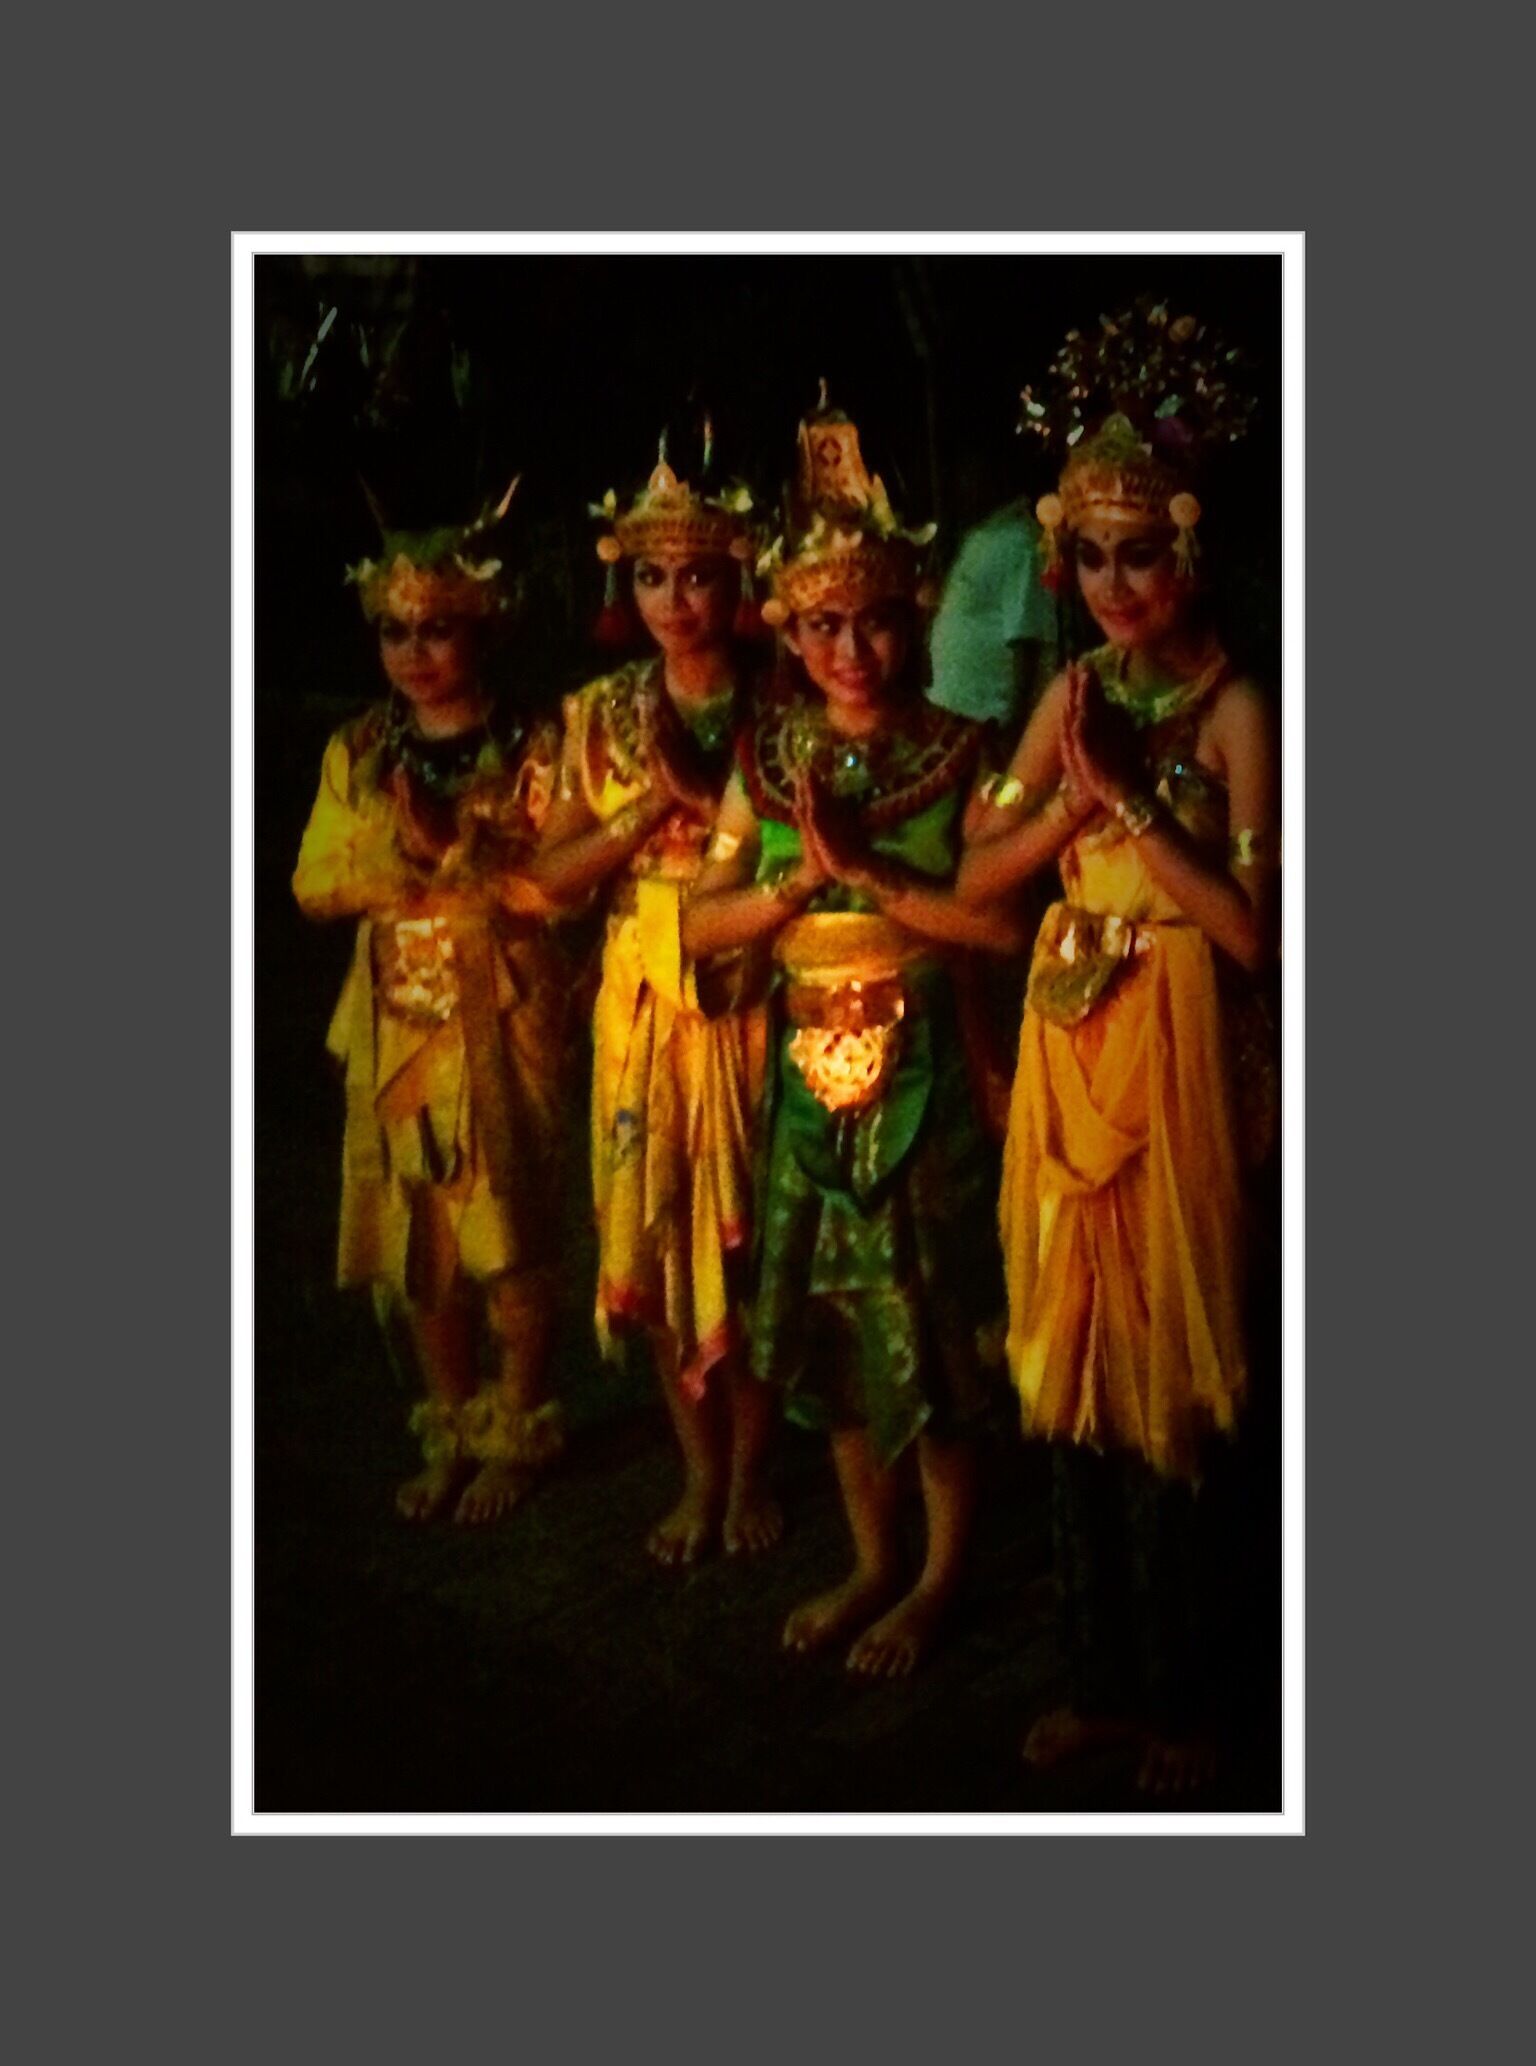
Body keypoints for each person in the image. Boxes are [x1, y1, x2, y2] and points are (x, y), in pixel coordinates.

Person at [957, 302, 1279, 1792]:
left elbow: (1259, 933)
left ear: (1197, 543)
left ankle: (1199, 1703)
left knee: (1181, 1381)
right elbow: (976, 870)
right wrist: (1070, 805)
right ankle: (1099, 1674)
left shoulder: (1235, 710)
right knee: (1073, 1365)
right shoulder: (1076, 694)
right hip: (1067, 1053)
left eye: (1138, 550)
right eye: (1084, 555)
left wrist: (1133, 803)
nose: (1110, 583)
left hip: (1180, 1061)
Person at [685, 397, 1024, 1677]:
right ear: (788, 625)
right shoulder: (765, 758)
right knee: (828, 1328)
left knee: (930, 1330)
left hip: (927, 1072)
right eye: (822, 622)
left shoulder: (960, 753)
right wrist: (787, 887)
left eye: (876, 616)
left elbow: (999, 932)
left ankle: (937, 1574)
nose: (852, 647)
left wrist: (872, 875)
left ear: (917, 614)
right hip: (803, 1083)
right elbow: (703, 925)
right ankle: (872, 1557)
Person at [292, 483, 572, 1524]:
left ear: (483, 626)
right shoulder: (361, 749)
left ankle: (522, 1417)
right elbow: (313, 883)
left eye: (438, 629)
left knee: (508, 1225)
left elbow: (556, 879)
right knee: (418, 1235)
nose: (415, 651)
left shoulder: (537, 741)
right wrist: (398, 859)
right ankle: (451, 1419)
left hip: (499, 1012)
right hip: (397, 1018)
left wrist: (464, 852)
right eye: (397, 631)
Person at [526, 435, 776, 1566]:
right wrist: (648, 810)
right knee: (664, 1222)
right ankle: (696, 1470)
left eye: (700, 575)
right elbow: (540, 879)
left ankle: (754, 1472)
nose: (676, 601)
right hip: (639, 987)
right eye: (652, 577)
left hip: (755, 987)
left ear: (741, 579)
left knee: (757, 1234)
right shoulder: (598, 717)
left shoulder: (794, 699)